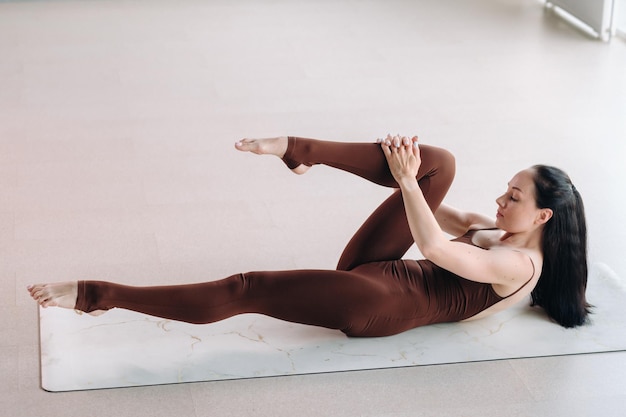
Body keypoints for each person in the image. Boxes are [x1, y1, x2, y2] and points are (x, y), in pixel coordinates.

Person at [27, 135, 591, 337]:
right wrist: (412, 176)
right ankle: (301, 152)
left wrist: (405, 183)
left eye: (513, 197)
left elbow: (436, 249)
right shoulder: (495, 232)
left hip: (382, 305)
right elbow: (438, 205)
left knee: (247, 286)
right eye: (506, 190)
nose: (501, 200)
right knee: (437, 162)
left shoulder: (519, 268)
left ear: (543, 218)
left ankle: (98, 296)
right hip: (380, 273)